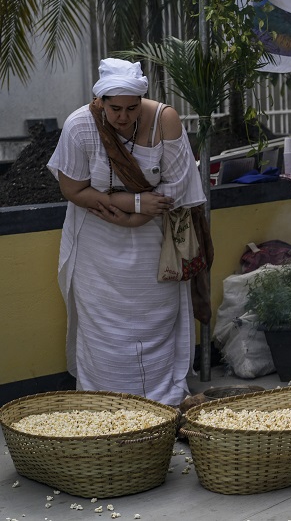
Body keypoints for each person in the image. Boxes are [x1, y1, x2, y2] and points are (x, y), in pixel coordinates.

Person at [47, 58, 205, 406]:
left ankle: (163, 404)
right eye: (114, 108)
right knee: (103, 330)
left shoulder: (165, 120)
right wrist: (134, 207)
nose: (122, 117)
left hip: (154, 244)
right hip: (96, 245)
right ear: (100, 102)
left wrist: (139, 211)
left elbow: (175, 189)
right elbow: (72, 189)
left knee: (156, 321)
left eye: (132, 108)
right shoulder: (80, 127)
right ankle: (106, 405)